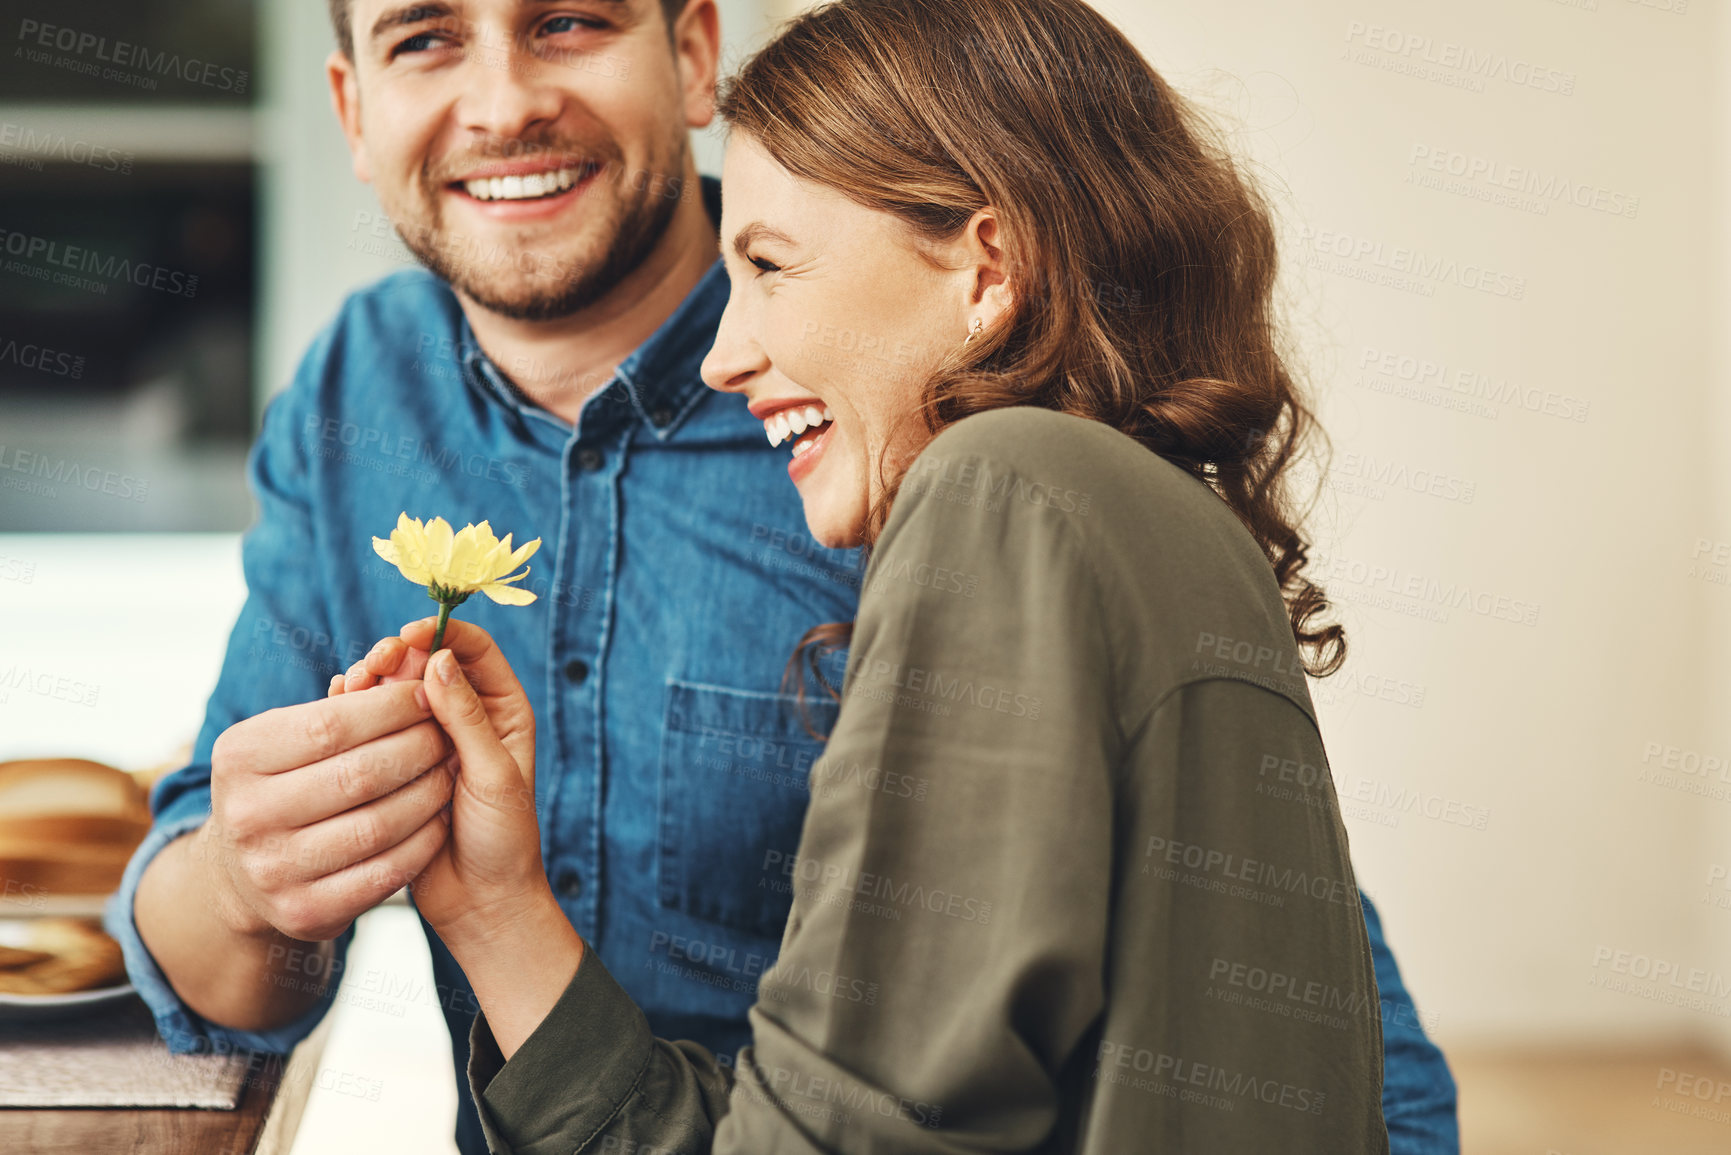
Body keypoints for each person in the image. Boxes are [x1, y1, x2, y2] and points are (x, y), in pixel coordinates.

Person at [105, 0, 1455, 1151]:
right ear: (351, 107)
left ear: (692, 50)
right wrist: (246, 876)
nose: (503, 100)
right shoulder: (359, 393)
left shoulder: (944, 464)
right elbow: (205, 953)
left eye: (568, 18)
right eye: (427, 38)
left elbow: (1297, 997)